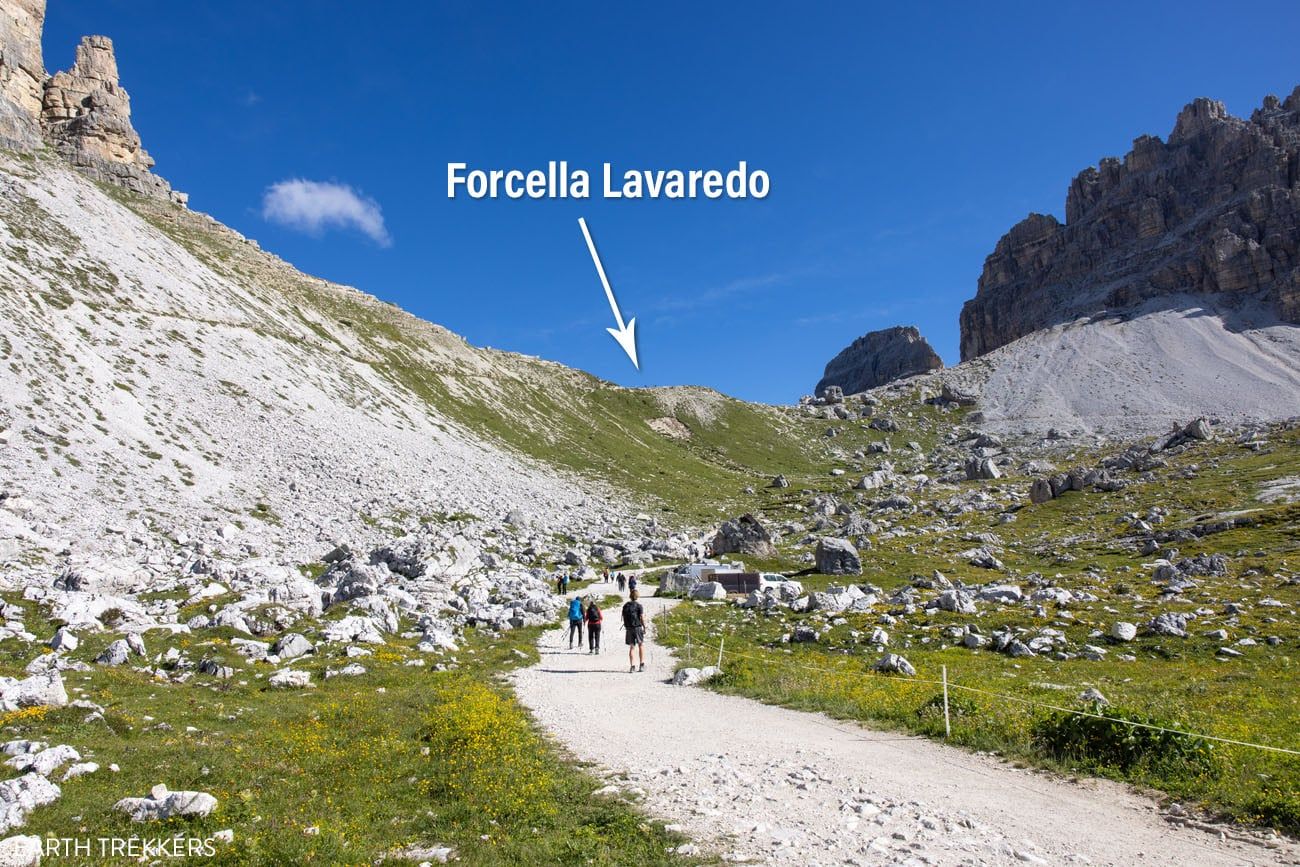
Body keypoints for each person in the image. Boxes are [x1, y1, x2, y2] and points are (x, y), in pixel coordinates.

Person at [622, 589, 646, 672]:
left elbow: (623, 617)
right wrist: (644, 626)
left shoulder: (625, 605)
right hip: (637, 627)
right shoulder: (639, 606)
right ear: (637, 596)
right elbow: (642, 617)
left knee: (632, 647)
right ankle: (641, 665)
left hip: (629, 628)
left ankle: (632, 666)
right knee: (641, 645)